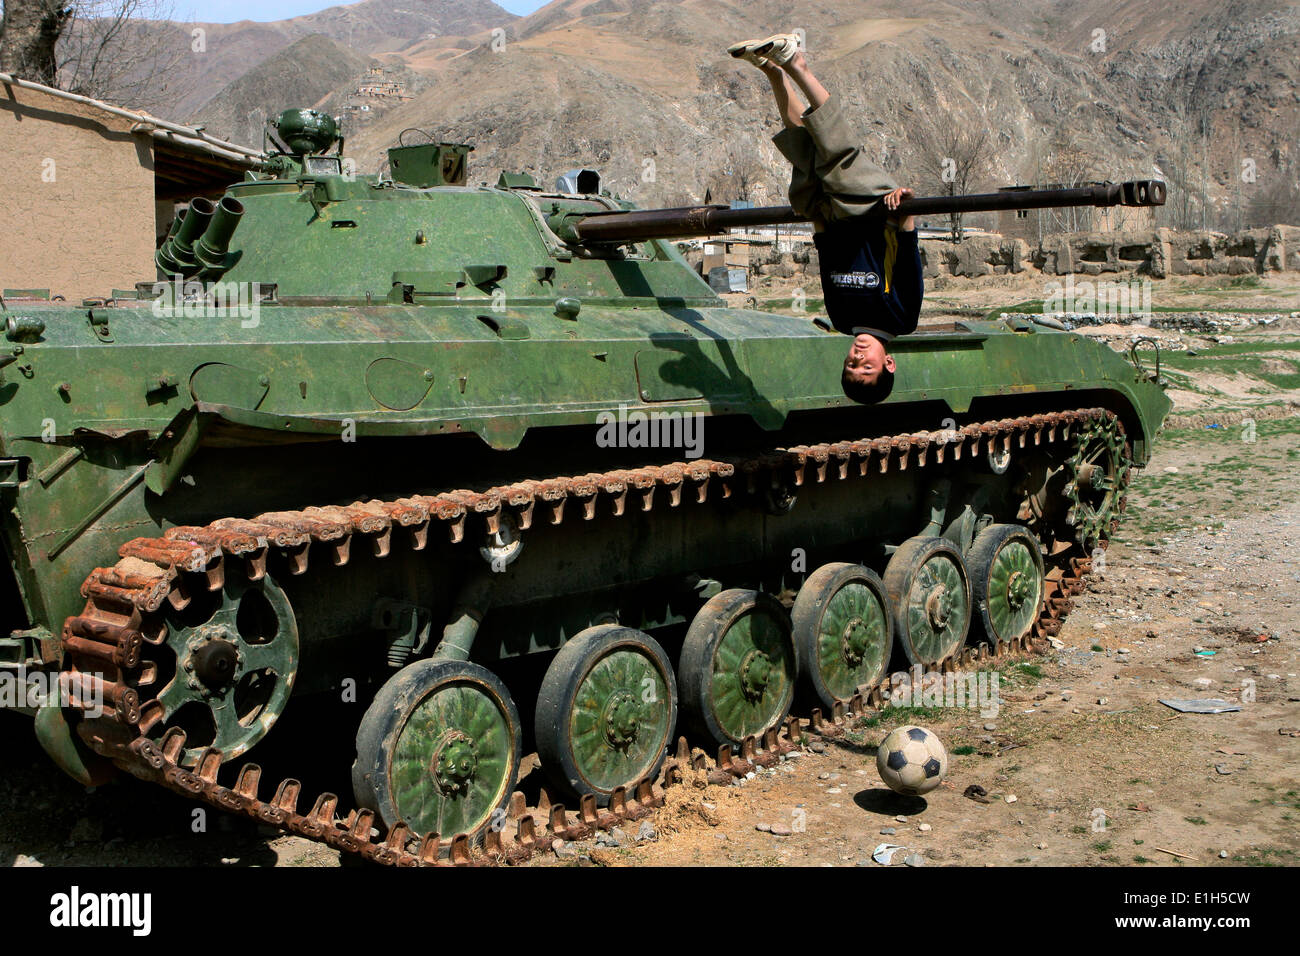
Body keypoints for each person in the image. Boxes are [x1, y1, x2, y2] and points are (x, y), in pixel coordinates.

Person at [728, 33, 923, 404]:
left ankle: (771, 71)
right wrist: (904, 209)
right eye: (868, 367)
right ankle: (796, 62)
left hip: (830, 217)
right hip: (871, 209)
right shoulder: (901, 319)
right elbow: (908, 259)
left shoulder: (840, 318)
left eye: (851, 366)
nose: (858, 357)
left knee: (801, 150)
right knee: (837, 158)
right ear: (890, 363)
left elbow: (828, 260)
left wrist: (814, 216)